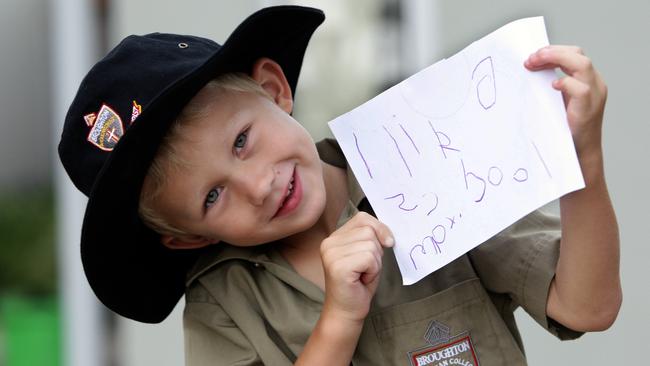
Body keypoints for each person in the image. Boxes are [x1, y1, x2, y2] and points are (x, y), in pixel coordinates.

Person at [58, 5, 621, 366]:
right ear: (187, 239)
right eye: (211, 197)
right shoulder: (223, 305)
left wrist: (583, 164)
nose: (257, 186)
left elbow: (584, 308)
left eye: (241, 141)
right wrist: (340, 319)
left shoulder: (428, 170)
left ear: (274, 88)